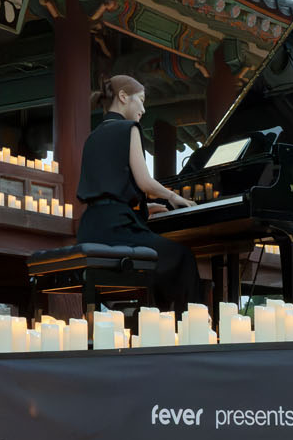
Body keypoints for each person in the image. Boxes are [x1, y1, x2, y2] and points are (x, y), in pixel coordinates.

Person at [75, 75, 202, 313]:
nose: (143, 109)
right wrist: (173, 197)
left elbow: (107, 188)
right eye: (141, 100)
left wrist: (143, 209)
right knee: (183, 257)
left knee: (162, 258)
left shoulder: (92, 137)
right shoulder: (128, 128)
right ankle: (187, 328)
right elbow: (145, 182)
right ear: (123, 97)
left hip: (90, 229)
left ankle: (156, 321)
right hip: (116, 230)